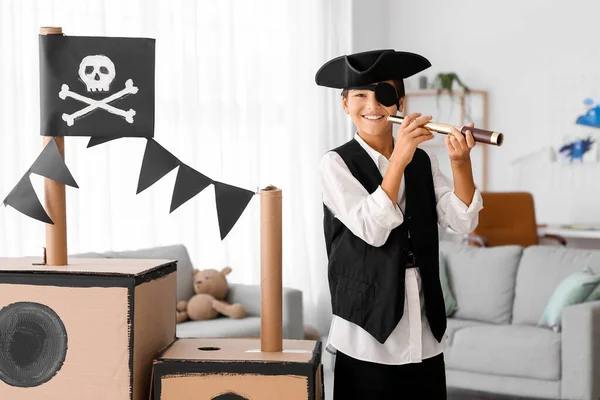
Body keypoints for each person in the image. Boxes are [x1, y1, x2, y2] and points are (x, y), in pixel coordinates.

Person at [316, 49, 483, 399]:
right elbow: (372, 229)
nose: (372, 104)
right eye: (360, 95)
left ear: (400, 103)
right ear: (345, 104)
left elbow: (462, 221)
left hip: (421, 323)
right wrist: (399, 160)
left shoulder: (423, 160)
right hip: (365, 331)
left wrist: (460, 164)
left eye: (384, 94)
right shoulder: (335, 165)